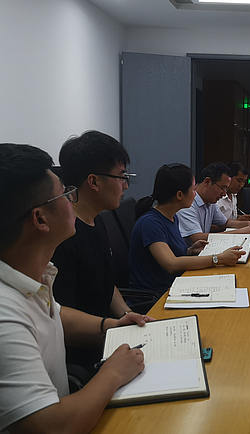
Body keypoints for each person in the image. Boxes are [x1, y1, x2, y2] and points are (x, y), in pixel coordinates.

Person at [0, 143, 150, 434]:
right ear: (40, 219)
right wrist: (112, 373)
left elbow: (56, 314)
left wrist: (112, 325)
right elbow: (51, 426)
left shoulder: (36, 275)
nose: (73, 200)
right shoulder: (5, 315)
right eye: (66, 194)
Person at [51, 131, 142, 374]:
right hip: (85, 356)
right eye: (121, 177)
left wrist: (128, 315)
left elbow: (106, 284)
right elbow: (57, 315)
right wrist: (114, 327)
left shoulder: (97, 221)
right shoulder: (62, 237)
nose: (125, 185)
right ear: (94, 182)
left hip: (110, 337)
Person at [129, 163, 244, 296]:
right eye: (193, 189)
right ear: (179, 195)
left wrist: (190, 250)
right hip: (158, 296)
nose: (195, 194)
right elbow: (171, 264)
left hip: (176, 284)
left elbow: (169, 253)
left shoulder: (172, 218)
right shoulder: (150, 223)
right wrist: (218, 259)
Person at [177, 162, 250, 243]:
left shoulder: (210, 202)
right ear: (207, 182)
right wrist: (240, 232)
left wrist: (249, 224)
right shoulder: (187, 203)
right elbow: (196, 237)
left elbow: (225, 223)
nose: (224, 194)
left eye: (226, 189)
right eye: (222, 188)